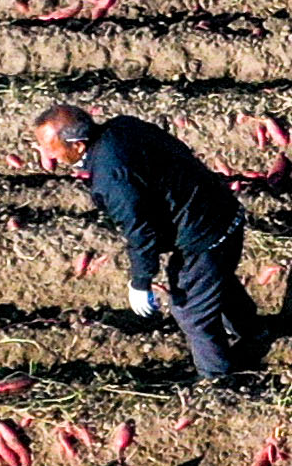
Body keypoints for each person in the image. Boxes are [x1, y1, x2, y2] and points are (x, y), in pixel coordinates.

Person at [36, 101, 255, 382]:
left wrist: (141, 281)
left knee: (190, 310)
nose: (46, 154)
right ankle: (251, 332)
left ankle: (219, 383)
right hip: (219, 208)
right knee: (210, 279)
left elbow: (140, 231)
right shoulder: (122, 125)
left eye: (50, 147)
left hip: (206, 231)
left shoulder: (111, 175)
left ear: (78, 145)